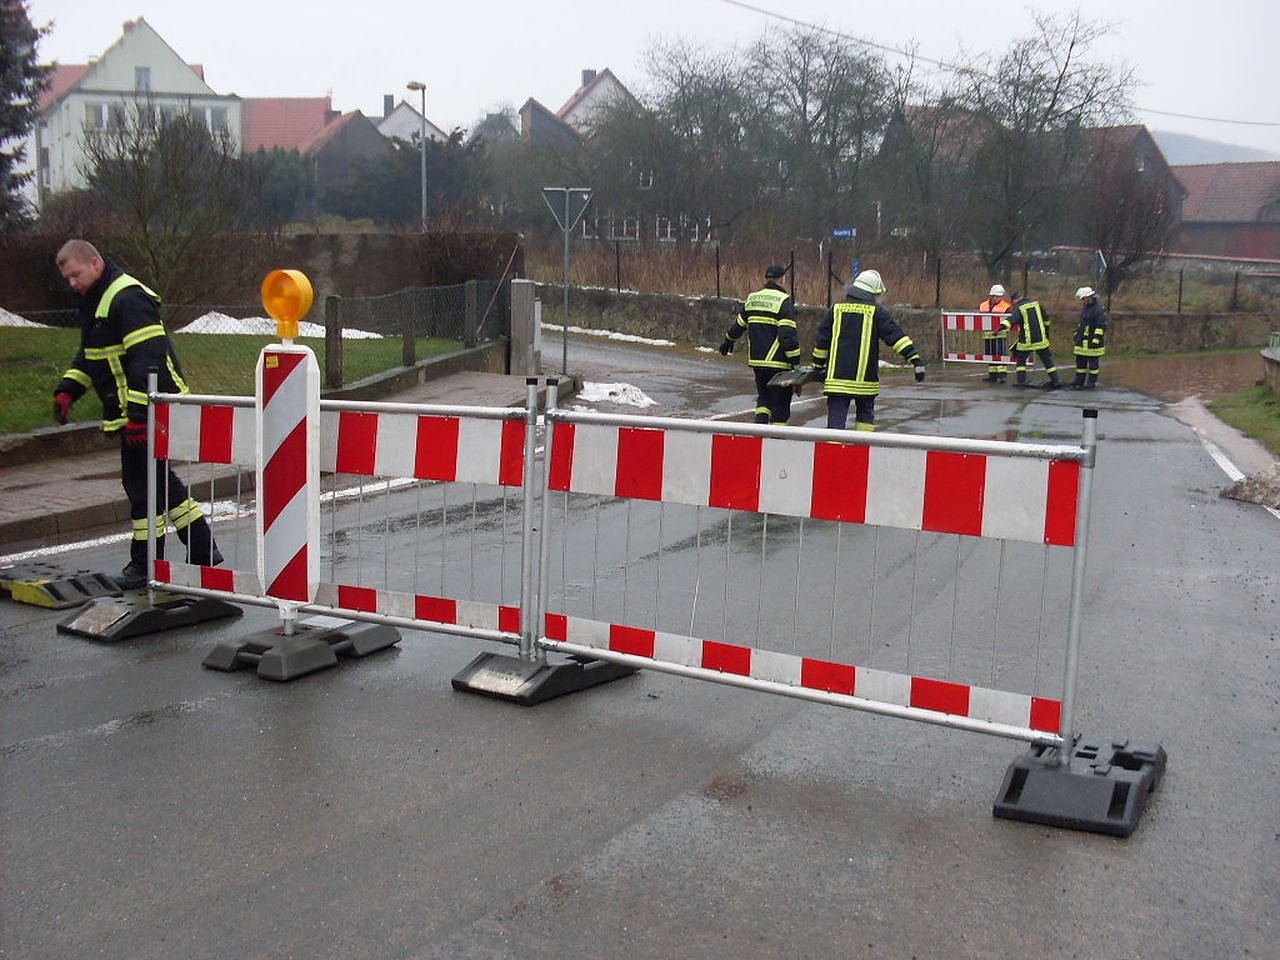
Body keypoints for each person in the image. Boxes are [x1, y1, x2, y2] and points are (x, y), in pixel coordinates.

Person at [52, 239, 222, 589]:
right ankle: (200, 550)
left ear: (95, 263)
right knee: (157, 483)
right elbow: (90, 356)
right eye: (67, 278)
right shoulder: (98, 301)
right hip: (137, 410)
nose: (72, 283)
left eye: (76, 274)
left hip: (150, 407)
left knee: (143, 486)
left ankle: (147, 564)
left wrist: (140, 416)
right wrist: (68, 389)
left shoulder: (126, 298)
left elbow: (147, 360)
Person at [812, 269, 925, 431]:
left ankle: (834, 447)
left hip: (837, 382)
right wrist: (915, 360)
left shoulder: (835, 310)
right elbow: (896, 338)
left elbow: (822, 341)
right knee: (864, 423)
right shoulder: (877, 312)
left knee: (835, 425)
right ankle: (862, 446)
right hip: (865, 383)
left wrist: (817, 366)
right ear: (873, 293)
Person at [720, 264, 802, 424]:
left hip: (758, 362)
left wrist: (728, 341)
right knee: (781, 404)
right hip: (779, 364)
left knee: (764, 398)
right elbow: (788, 337)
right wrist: (796, 365)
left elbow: (739, 325)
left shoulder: (753, 298)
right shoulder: (784, 301)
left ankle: (759, 430)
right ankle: (776, 436)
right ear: (782, 279)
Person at [1001, 292, 1062, 390]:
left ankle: (1021, 381)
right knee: (1047, 361)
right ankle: (1055, 381)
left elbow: (1012, 319)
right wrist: (1046, 332)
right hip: (1041, 339)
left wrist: (1000, 327)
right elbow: (1046, 319)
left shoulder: (1019, 307)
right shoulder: (1036, 304)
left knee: (1021, 362)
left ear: (1014, 300)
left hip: (1027, 341)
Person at [1071, 286, 1107, 389]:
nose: (1083, 301)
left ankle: (1091, 383)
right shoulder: (1086, 308)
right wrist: (1076, 335)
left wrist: (1095, 340)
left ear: (1089, 297)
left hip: (1092, 343)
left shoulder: (1098, 310)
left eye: (1083, 299)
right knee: (1080, 363)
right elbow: (1082, 324)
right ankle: (1079, 381)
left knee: (1093, 365)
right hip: (1082, 341)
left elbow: (1100, 326)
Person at [978, 283, 1013, 382]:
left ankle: (1002, 375)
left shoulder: (1006, 306)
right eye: (994, 296)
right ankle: (992, 375)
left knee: (1000, 354)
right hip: (987, 335)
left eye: (998, 296)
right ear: (991, 295)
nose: (995, 298)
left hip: (1000, 335)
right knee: (990, 355)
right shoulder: (983, 305)